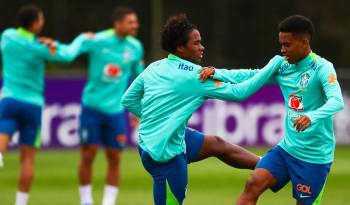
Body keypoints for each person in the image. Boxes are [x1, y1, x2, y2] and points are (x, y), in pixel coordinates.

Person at [121, 14, 284, 205]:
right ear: (181, 48)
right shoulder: (195, 77)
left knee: (216, 144)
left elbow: (128, 100)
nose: (202, 47)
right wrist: (273, 64)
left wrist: (154, 119)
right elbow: (239, 92)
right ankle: (274, 168)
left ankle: (271, 167)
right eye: (196, 43)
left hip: (150, 143)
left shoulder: (154, 67)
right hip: (164, 156)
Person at [202, 15, 344, 205]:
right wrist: (217, 72)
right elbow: (252, 74)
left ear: (304, 42)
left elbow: (337, 101)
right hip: (286, 149)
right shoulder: (283, 67)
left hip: (314, 157)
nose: (283, 50)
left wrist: (311, 116)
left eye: (287, 45)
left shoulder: (322, 68)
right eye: (281, 44)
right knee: (253, 183)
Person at [0, 4, 82, 205]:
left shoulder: (7, 36)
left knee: (3, 133)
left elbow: (22, 42)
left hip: (9, 98)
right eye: (41, 19)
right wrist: (68, 42)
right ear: (35, 23)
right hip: (32, 105)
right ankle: (20, 203)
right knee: (27, 158)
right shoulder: (40, 48)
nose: (43, 23)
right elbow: (68, 55)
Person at [70, 7, 144, 205]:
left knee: (115, 157)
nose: (135, 25)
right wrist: (78, 39)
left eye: (136, 22)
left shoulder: (135, 47)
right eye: (131, 22)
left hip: (116, 111)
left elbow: (140, 78)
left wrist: (137, 109)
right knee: (88, 154)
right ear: (117, 24)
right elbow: (70, 52)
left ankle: (108, 203)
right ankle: (86, 201)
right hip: (92, 107)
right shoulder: (97, 40)